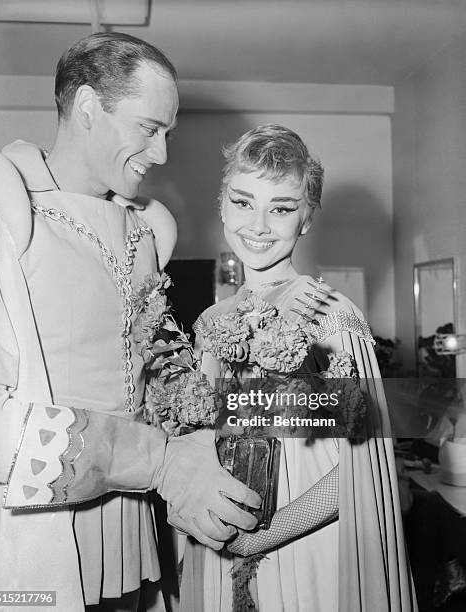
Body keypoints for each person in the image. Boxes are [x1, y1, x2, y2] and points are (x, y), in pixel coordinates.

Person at [0, 32, 261, 612]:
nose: (161, 154)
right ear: (87, 107)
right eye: (148, 128)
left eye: (168, 133)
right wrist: (158, 460)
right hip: (40, 540)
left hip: (140, 535)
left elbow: (154, 385)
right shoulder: (3, 212)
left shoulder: (148, 232)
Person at [179, 125, 418, 611]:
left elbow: (361, 470)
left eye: (282, 208)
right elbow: (200, 443)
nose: (259, 224)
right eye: (244, 202)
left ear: (306, 220)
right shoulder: (209, 323)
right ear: (221, 205)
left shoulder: (330, 314)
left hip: (301, 553)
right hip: (219, 547)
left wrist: (259, 537)